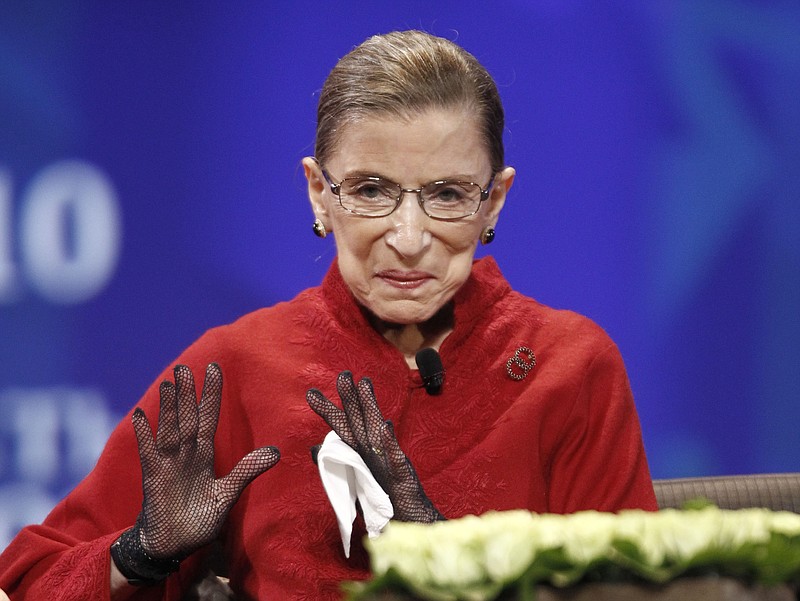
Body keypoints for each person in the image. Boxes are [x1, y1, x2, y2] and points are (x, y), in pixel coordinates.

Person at [0, 30, 656, 600]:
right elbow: (28, 577)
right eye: (371, 190)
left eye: (447, 194)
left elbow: (642, 596)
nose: (408, 235)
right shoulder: (238, 364)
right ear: (320, 192)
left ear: (494, 203)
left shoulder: (570, 367)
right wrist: (140, 553)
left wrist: (452, 565)